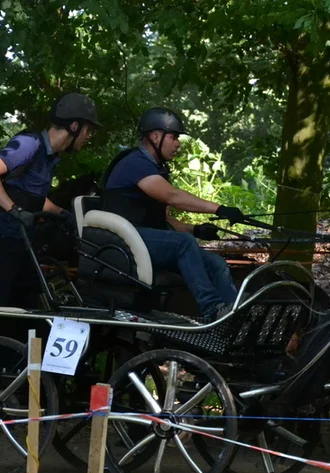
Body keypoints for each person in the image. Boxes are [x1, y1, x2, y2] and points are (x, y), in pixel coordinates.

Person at [101, 107, 246, 321]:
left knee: (216, 263)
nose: (177, 143)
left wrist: (196, 229)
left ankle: (234, 317)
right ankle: (212, 309)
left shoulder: (154, 167)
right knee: (183, 243)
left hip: (143, 238)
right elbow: (173, 196)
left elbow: (164, 222)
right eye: (174, 136)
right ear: (155, 136)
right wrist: (219, 209)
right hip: (123, 241)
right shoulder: (135, 163)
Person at [0, 92, 99, 308]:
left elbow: (33, 198)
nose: (88, 136)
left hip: (21, 242)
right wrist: (14, 210)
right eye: (88, 129)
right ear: (75, 126)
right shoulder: (29, 144)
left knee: (27, 307)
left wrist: (62, 214)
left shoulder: (51, 157)